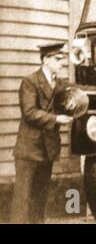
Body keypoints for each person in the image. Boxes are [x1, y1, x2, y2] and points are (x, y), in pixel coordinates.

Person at [10, 42, 73, 224]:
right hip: (29, 150)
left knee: (40, 197)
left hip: (48, 149)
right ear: (45, 60)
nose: (61, 63)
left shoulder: (59, 84)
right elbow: (29, 113)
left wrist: (73, 105)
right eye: (57, 59)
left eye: (62, 59)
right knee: (22, 200)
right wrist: (56, 119)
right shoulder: (30, 82)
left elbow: (67, 100)